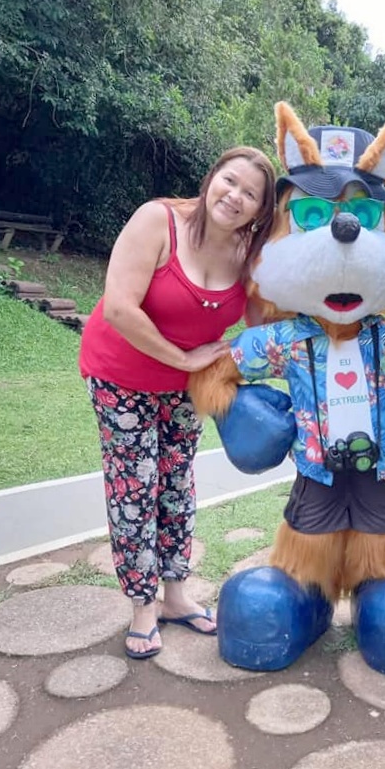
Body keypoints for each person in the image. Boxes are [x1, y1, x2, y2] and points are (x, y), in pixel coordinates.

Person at [79, 146, 276, 659]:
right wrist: (185, 359)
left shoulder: (248, 254)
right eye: (229, 181)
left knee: (176, 483)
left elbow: (262, 327)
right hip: (120, 375)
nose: (234, 196)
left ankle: (175, 594)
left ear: (261, 210)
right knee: (135, 486)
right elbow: (119, 308)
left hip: (185, 387)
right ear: (211, 178)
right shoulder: (158, 220)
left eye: (250, 194)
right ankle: (143, 607)